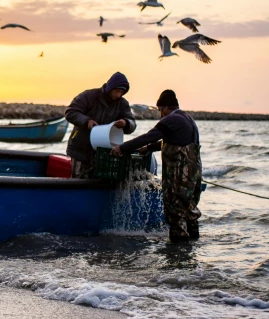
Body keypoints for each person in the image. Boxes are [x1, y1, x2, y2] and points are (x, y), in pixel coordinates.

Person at [111, 90, 202, 242]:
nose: (161, 114)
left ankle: (176, 256)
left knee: (175, 213)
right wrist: (150, 148)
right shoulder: (188, 119)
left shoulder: (171, 120)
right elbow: (175, 141)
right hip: (194, 175)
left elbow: (149, 136)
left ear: (165, 107)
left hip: (179, 176)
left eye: (160, 110)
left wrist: (122, 148)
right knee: (190, 210)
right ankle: (191, 251)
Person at [64, 72, 137, 178]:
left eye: (121, 92)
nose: (118, 95)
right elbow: (70, 112)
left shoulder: (122, 104)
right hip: (81, 148)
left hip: (104, 153)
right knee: (78, 180)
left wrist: (126, 123)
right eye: (117, 91)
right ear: (110, 87)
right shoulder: (89, 96)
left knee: (100, 181)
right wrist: (86, 121)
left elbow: (132, 122)